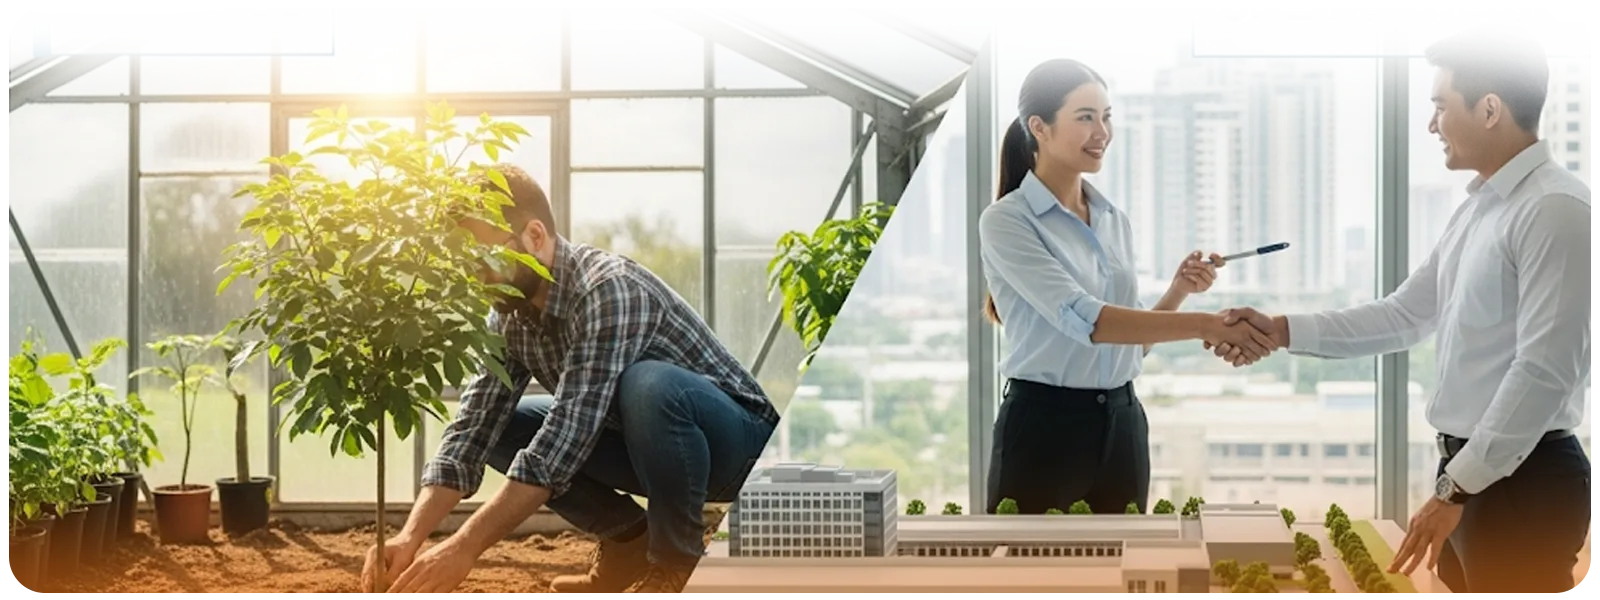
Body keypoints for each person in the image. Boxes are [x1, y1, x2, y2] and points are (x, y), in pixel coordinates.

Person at [1210, 22, 1591, 594]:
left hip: (1522, 483)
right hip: (1477, 474)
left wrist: (1455, 490)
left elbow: (1542, 372)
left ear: (1489, 109)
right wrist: (1281, 330)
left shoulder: (1554, 209)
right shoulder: (1481, 210)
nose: (1431, 124)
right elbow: (1403, 315)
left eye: (1440, 107)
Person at [360, 164, 779, 595]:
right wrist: (409, 536)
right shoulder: (508, 313)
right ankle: (627, 543)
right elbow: (473, 427)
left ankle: (677, 563)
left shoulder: (606, 290)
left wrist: (465, 546)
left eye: (486, 259)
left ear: (534, 237)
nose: (476, 276)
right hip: (642, 446)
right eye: (468, 264)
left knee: (649, 384)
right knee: (505, 426)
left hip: (734, 449)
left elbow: (566, 436)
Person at [977, 58, 1279, 517]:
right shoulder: (1007, 221)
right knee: (1032, 577)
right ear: (1039, 127)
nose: (1102, 132)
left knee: (1123, 573)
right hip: (1043, 428)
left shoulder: (1113, 219)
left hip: (1122, 423)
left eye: (1106, 116)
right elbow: (1088, 320)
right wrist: (1208, 325)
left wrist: (1178, 292)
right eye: (1085, 117)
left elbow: (1129, 347)